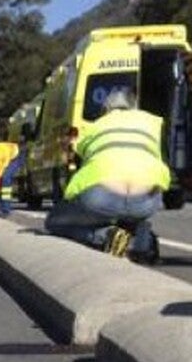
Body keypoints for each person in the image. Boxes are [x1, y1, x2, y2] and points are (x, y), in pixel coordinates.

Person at [43, 90, 168, 262]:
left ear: (106, 109)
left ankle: (106, 235)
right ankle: (143, 240)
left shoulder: (95, 126)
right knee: (129, 214)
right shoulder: (153, 123)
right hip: (146, 201)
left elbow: (79, 150)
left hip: (102, 198)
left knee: (54, 222)